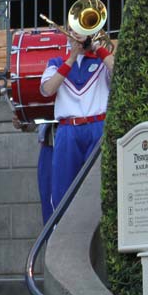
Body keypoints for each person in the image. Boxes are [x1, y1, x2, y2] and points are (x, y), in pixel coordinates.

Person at [39, 33, 113, 207]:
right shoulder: (56, 62)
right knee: (62, 188)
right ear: (67, 35)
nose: (79, 36)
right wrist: (72, 58)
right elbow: (47, 90)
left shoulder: (102, 61)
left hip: (98, 127)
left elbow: (121, 73)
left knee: (101, 184)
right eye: (74, 31)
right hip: (68, 130)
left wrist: (97, 48)